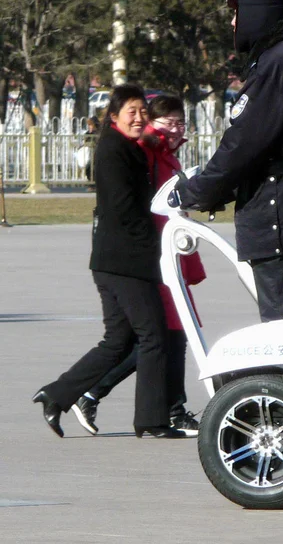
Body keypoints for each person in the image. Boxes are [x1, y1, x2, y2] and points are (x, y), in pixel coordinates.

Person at [177, 0, 283, 329]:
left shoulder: (275, 65)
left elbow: (244, 144)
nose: (233, 22)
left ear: (256, 12)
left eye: (236, 12)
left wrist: (195, 191)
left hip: (277, 214)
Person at [33, 84, 185, 439]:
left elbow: (153, 152)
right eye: (130, 112)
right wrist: (157, 245)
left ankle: (56, 395)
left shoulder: (131, 147)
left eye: (142, 111)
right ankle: (152, 419)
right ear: (113, 117)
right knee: (154, 337)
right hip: (126, 261)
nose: (139, 118)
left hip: (112, 259)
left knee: (118, 340)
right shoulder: (113, 151)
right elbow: (125, 210)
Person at [71, 95, 205, 437]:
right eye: (167, 122)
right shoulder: (144, 153)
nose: (174, 128)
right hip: (153, 257)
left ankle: (100, 394)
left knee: (167, 336)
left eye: (180, 122)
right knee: (161, 337)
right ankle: (99, 393)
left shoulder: (166, 154)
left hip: (170, 254)